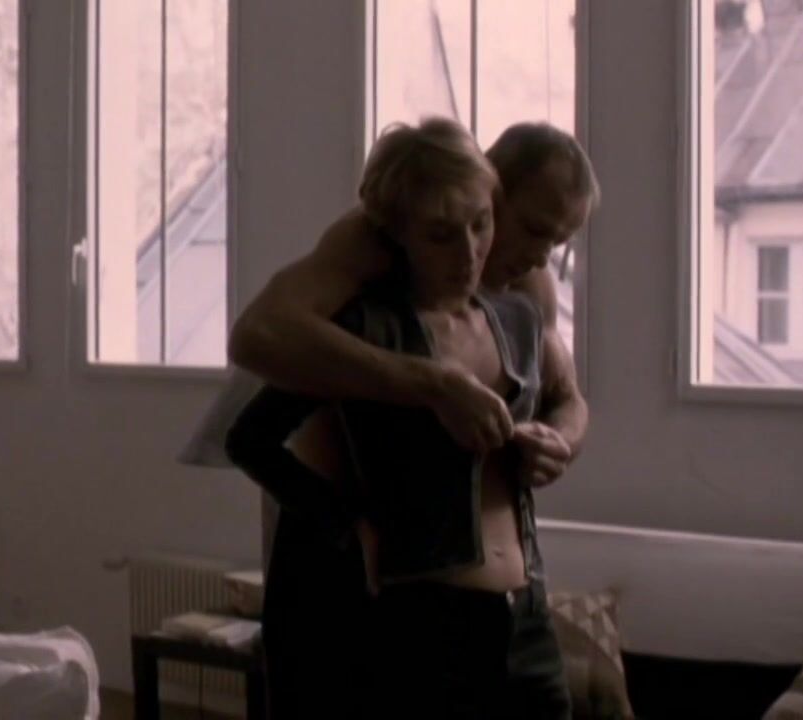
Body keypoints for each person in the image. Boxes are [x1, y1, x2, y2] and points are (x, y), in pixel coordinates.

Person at [226, 117, 575, 720]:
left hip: (526, 618)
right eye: (441, 235)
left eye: (481, 224)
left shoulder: (519, 309)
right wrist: (348, 522)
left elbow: (569, 400)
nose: (469, 252)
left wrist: (555, 442)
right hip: (409, 613)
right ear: (398, 237)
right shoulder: (365, 306)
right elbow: (251, 420)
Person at [228, 121, 600, 488]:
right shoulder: (376, 236)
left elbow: (567, 396)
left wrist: (559, 442)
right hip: (288, 417)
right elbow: (257, 335)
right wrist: (436, 384)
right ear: (491, 187)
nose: (541, 257)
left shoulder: (528, 282)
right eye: (534, 230)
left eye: (559, 242)